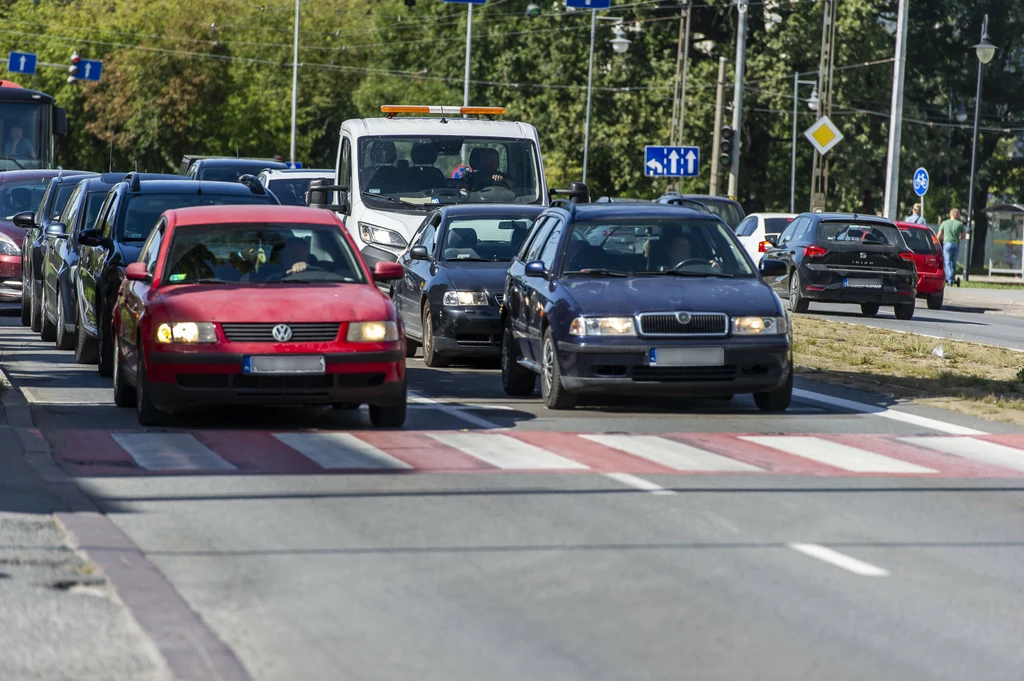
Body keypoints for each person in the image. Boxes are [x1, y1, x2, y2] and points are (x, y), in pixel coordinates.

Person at [938, 208, 966, 287]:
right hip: (956, 244)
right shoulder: (960, 224)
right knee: (954, 262)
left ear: (951, 214)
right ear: (957, 215)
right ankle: (952, 277)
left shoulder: (944, 223)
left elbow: (939, 236)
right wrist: (958, 238)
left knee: (947, 261)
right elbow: (963, 236)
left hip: (947, 244)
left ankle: (949, 279)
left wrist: (940, 240)